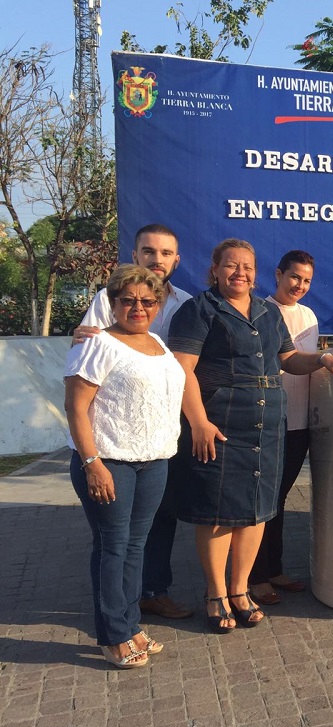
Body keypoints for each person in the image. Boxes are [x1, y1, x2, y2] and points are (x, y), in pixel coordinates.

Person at [168, 238, 333, 633]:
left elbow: (289, 360)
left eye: (246, 267)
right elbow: (182, 370)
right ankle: (216, 593)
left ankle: (241, 590)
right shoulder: (199, 310)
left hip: (267, 422)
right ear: (215, 268)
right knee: (219, 511)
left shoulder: (267, 313)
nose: (240, 273)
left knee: (256, 509)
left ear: (256, 274)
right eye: (231, 266)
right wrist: (199, 422)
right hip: (220, 422)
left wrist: (325, 358)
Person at [64, 265, 186, 668]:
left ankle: (131, 625)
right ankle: (113, 635)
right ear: (112, 303)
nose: (138, 307)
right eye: (128, 300)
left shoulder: (156, 342)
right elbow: (76, 407)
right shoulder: (98, 343)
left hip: (153, 461)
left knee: (136, 546)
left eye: (147, 301)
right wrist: (92, 463)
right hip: (109, 461)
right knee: (113, 547)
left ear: (157, 305)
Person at [75, 224, 195, 620]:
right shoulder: (106, 300)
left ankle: (152, 591)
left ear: (176, 260)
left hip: (160, 440)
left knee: (157, 523)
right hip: (115, 445)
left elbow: (187, 369)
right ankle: (116, 622)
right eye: (149, 251)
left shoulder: (186, 305)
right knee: (115, 539)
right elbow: (87, 351)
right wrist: (92, 460)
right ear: (135, 253)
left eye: (165, 253)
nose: (156, 259)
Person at [249, 250, 319, 606]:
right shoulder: (259, 311)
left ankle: (272, 569)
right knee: (266, 498)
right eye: (294, 277)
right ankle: (255, 576)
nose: (300, 286)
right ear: (278, 275)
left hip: (301, 421)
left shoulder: (307, 315)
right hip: (270, 420)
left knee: (280, 497)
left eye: (306, 280)